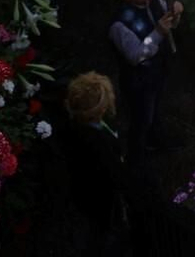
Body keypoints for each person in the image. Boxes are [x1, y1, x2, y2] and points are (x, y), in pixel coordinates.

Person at [108, 0, 182, 156]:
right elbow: (135, 56)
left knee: (155, 107)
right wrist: (158, 32)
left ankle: (156, 140)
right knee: (142, 117)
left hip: (159, 68)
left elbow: (170, 22)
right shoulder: (119, 25)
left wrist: (175, 13)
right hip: (138, 80)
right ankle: (136, 155)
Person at [60, 72, 131, 254]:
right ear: (100, 110)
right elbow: (116, 175)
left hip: (81, 191)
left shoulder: (70, 125)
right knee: (102, 231)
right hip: (100, 197)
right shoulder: (100, 144)